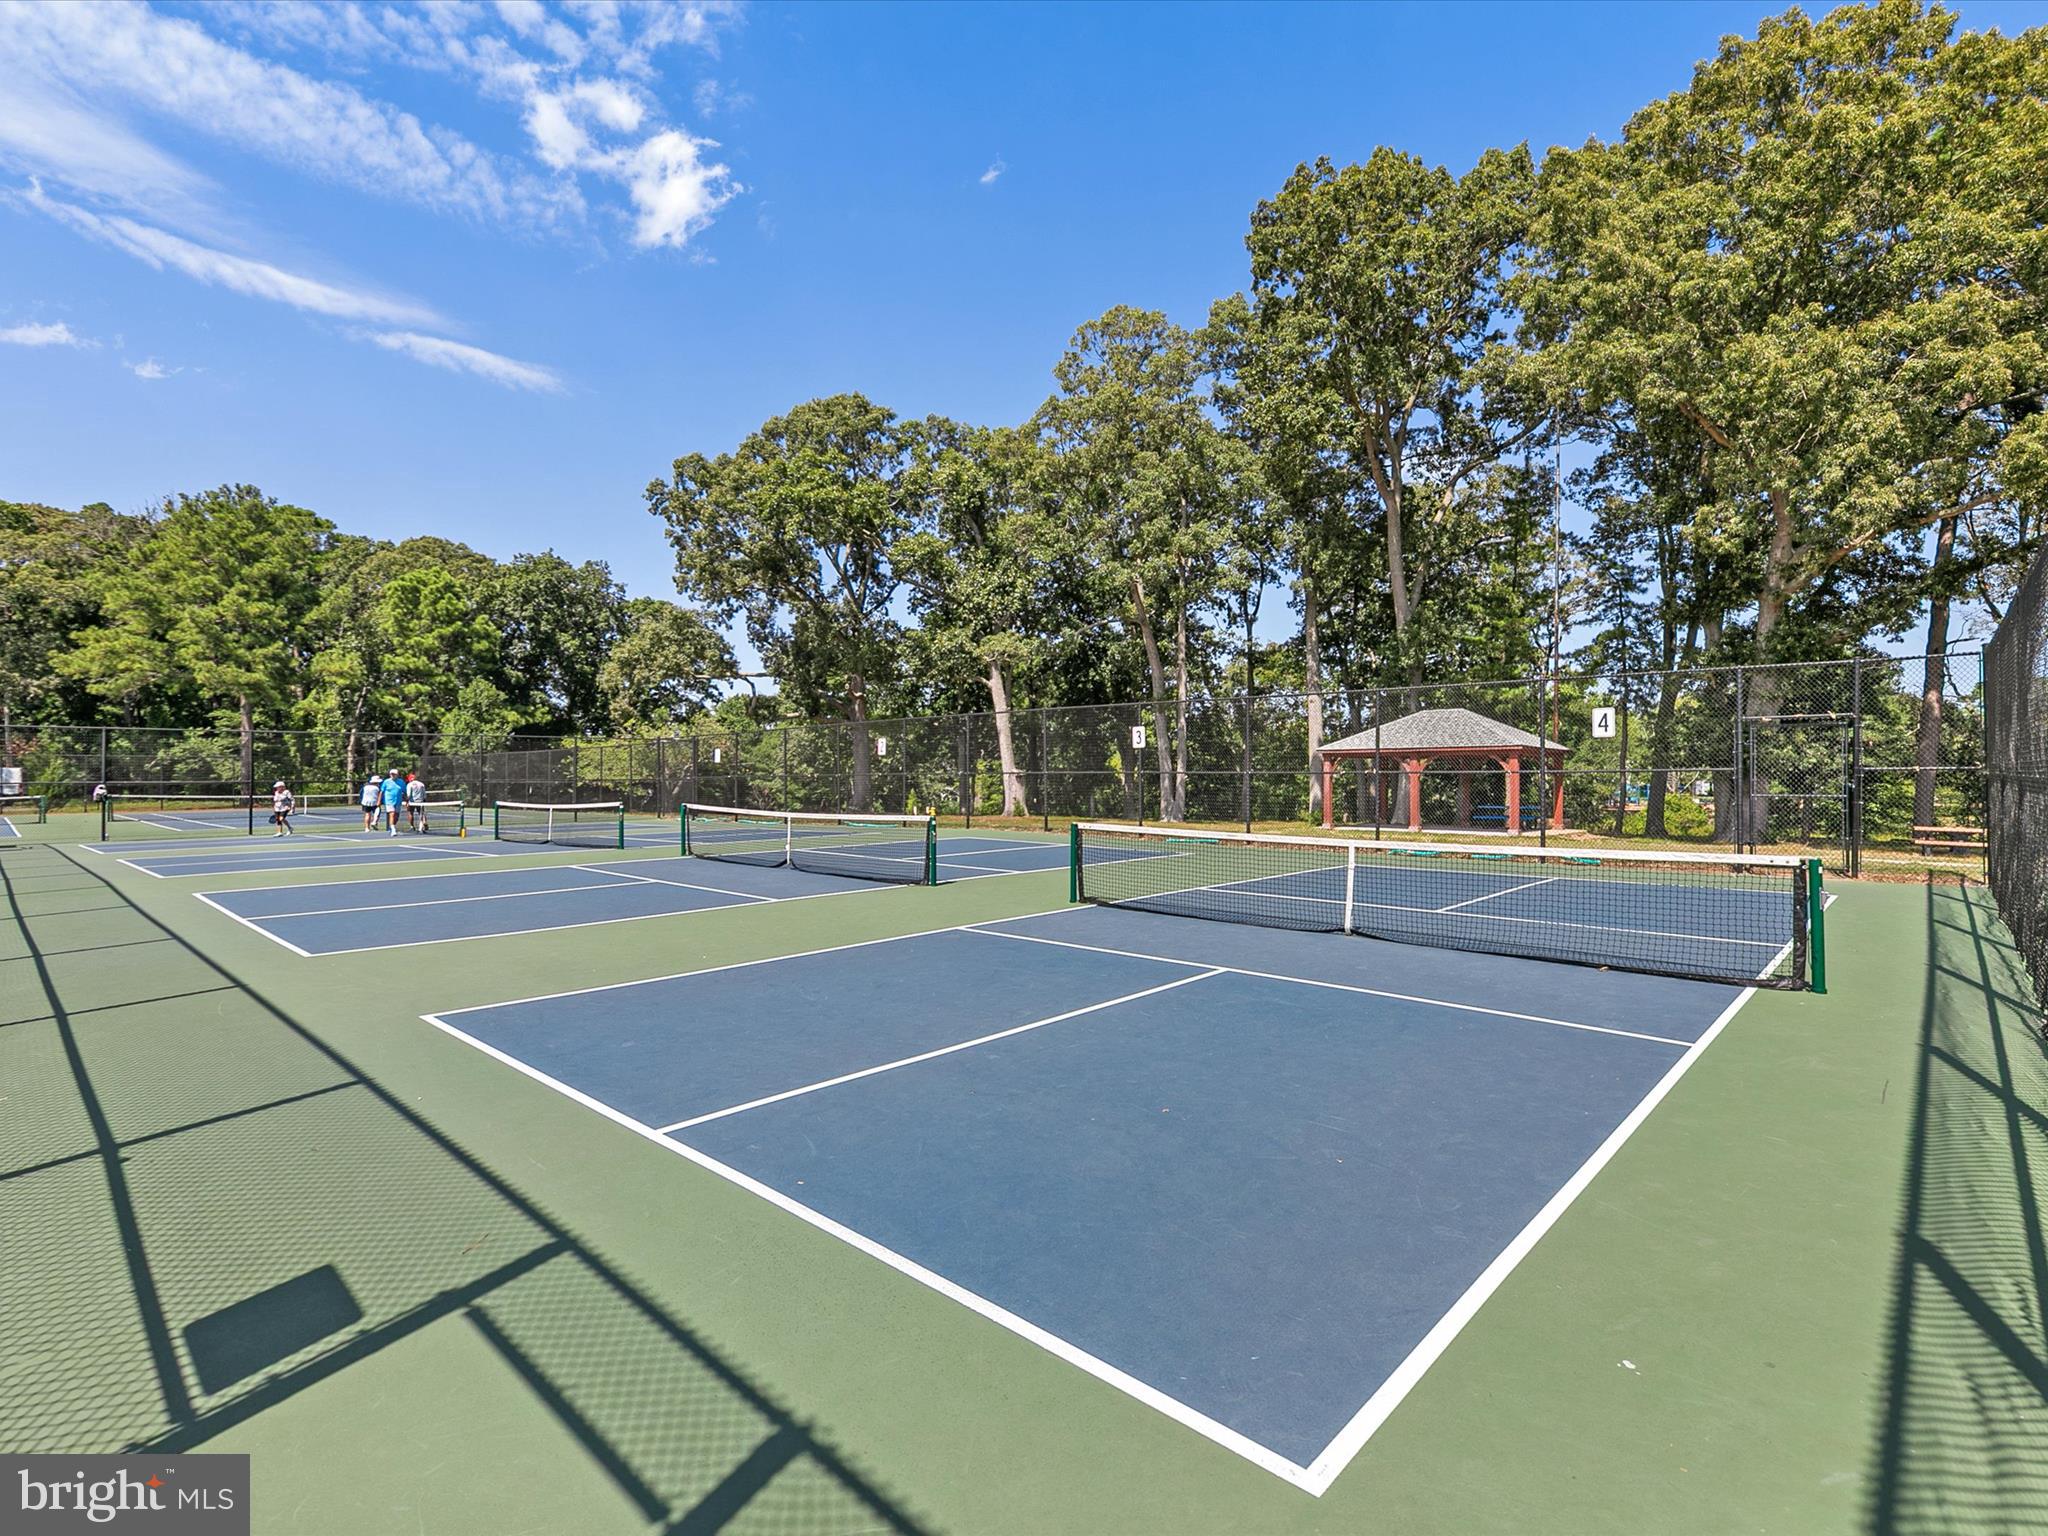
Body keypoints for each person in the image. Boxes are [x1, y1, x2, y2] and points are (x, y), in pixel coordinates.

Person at [380, 767, 405, 836]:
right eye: (391, 774)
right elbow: (381, 791)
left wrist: (407, 800)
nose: (392, 775)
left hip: (398, 801)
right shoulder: (386, 782)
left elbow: (404, 792)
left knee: (397, 816)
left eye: (394, 774)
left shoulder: (401, 782)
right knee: (392, 814)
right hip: (389, 801)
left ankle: (392, 826)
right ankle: (393, 829)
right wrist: (379, 801)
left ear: (397, 775)